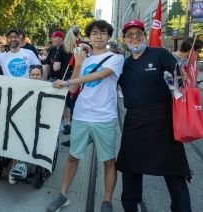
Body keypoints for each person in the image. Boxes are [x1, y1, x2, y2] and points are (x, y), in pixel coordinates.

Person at [47, 20, 124, 212]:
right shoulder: (86, 60)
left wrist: (65, 82)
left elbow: (99, 76)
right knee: (73, 157)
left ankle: (107, 201)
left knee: (108, 161)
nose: (99, 36)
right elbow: (74, 88)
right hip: (81, 115)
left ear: (108, 37)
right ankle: (63, 195)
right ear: (89, 37)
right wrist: (79, 64)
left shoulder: (115, 58)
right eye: (95, 33)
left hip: (104, 117)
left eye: (103, 33)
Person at [116, 20, 192, 212]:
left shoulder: (160, 54)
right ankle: (130, 208)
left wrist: (184, 75)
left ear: (145, 36)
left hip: (163, 121)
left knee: (175, 172)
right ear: (124, 39)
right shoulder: (123, 65)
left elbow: (181, 76)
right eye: (130, 35)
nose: (135, 38)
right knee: (130, 169)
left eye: (138, 34)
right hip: (134, 122)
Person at [0, 29, 40, 184]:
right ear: (7, 40)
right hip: (9, 98)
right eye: (10, 37)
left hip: (27, 97)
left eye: (16, 37)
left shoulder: (29, 53)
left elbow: (38, 72)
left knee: (21, 129)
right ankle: (3, 158)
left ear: (20, 39)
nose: (13, 39)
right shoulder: (3, 56)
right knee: (6, 128)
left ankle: (18, 164)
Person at [53, 28, 79, 144]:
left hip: (65, 81)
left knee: (64, 104)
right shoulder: (81, 47)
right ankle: (74, 131)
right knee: (75, 105)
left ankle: (66, 125)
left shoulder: (62, 48)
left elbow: (56, 67)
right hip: (79, 80)